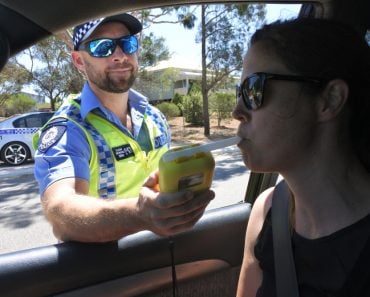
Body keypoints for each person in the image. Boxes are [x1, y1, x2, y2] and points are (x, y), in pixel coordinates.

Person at [33, 13, 214, 243]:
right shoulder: (69, 129)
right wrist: (138, 215)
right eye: (102, 47)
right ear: (79, 61)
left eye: (127, 44)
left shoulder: (154, 118)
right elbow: (61, 210)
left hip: (163, 251)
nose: (120, 56)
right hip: (104, 268)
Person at [233, 18, 370, 297]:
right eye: (240, 93)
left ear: (329, 100)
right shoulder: (267, 210)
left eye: (254, 90)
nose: (237, 110)